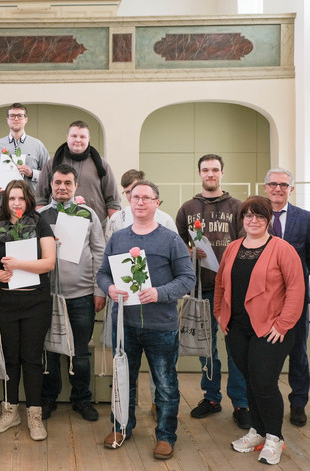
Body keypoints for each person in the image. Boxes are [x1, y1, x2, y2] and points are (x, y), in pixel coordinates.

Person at [97, 180, 194, 459]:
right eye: (135, 197)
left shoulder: (171, 239)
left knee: (165, 384)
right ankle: (121, 427)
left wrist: (159, 292)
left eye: (146, 198)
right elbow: (103, 273)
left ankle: (165, 436)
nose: (140, 202)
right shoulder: (118, 238)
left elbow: (187, 278)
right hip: (124, 325)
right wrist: (110, 288)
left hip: (161, 326)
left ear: (156, 204)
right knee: (122, 380)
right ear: (130, 201)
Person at [215, 196, 305, 466]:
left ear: (268, 220)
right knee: (251, 380)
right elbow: (220, 283)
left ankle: (274, 437)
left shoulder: (282, 248)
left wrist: (283, 324)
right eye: (248, 216)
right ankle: (257, 430)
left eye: (260, 216)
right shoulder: (232, 248)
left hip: (272, 328)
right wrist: (220, 313)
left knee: (264, 382)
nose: (253, 221)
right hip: (238, 328)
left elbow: (296, 289)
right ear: (241, 219)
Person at [174, 154, 249, 428]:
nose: (210, 174)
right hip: (201, 288)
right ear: (199, 173)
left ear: (222, 173)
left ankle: (241, 402)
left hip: (232, 290)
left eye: (215, 169)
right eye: (205, 170)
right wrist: (190, 251)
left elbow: (249, 243)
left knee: (236, 348)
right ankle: (212, 397)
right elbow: (178, 244)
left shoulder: (238, 207)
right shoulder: (187, 208)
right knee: (207, 348)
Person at [0, 179, 56, 441]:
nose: (16, 203)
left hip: (36, 302)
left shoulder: (40, 223)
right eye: (12, 198)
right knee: (9, 358)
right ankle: (10, 412)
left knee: (32, 358)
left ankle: (34, 415)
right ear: (5, 201)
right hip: (5, 302)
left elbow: (49, 263)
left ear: (29, 200)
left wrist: (18, 265)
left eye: (21, 198)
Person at [38, 164, 104, 422]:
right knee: (49, 352)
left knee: (80, 353)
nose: (62, 187)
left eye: (67, 183)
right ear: (51, 186)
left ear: (76, 186)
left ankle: (81, 399)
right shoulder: (41, 216)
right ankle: (48, 399)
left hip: (82, 297)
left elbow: (99, 252)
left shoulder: (87, 214)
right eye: (57, 183)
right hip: (48, 297)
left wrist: (99, 290)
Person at [263, 167, 310, 426]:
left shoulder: (305, 218)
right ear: (265, 188)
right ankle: (265, 401)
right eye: (273, 184)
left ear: (291, 189)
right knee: (265, 353)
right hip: (264, 299)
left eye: (284, 185)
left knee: (298, 352)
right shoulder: (255, 217)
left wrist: (295, 279)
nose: (278, 188)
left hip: (297, 299)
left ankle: (298, 403)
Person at [36, 120, 121, 227]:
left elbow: (112, 200)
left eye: (82, 137)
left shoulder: (101, 165)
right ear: (67, 137)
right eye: (74, 136)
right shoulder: (52, 164)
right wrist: (41, 225)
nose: (78, 140)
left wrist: (115, 228)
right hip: (56, 225)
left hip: (95, 225)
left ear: (89, 139)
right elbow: (40, 198)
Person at [0, 102, 50, 202]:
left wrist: (32, 173)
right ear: (7, 120)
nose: (16, 119)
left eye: (20, 116)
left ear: (26, 120)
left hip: (31, 200)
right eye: (12, 116)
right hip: (4, 201)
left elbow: (49, 173)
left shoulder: (38, 145)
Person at [105, 169, 177, 239]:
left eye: (134, 190)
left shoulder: (165, 220)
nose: (131, 195)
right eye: (127, 192)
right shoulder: (116, 220)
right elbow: (109, 246)